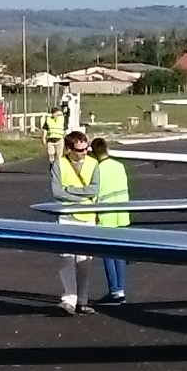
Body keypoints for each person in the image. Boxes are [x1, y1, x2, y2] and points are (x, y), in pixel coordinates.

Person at [48, 130, 133, 312]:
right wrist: (81, 195)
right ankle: (69, 300)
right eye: (80, 150)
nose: (85, 152)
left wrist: (69, 191)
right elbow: (57, 192)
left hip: (88, 217)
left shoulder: (94, 164)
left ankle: (82, 300)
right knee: (66, 259)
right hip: (66, 216)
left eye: (86, 148)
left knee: (84, 261)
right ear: (69, 149)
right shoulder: (59, 164)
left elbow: (94, 190)